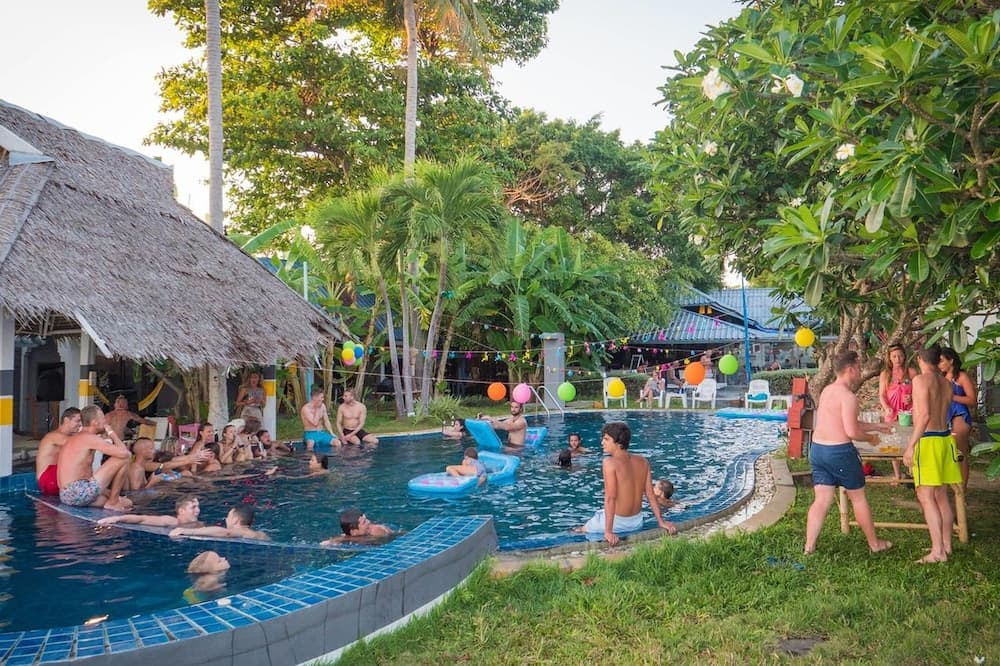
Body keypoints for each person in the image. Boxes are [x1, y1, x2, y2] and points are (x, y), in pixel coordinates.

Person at [804, 351, 894, 555]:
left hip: (818, 450)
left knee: (822, 499)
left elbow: (841, 421)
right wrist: (871, 439)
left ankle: (809, 546)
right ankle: (874, 544)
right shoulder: (848, 396)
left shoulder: (828, 390)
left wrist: (876, 427)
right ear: (851, 369)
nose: (860, 371)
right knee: (858, 498)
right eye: (859, 367)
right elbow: (851, 431)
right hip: (839, 452)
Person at [904, 345, 963, 563]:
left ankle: (937, 551)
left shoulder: (920, 380)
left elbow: (925, 415)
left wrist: (911, 445)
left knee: (926, 497)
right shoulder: (947, 383)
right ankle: (946, 545)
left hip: (928, 440)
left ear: (919, 359)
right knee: (941, 496)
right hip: (944, 438)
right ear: (938, 360)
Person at [574, 421, 677, 545]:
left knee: (577, 531)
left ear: (618, 442)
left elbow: (610, 498)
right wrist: (661, 521)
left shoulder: (609, 462)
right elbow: (650, 495)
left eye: (606, 439)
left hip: (617, 524)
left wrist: (608, 531)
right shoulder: (643, 461)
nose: (602, 443)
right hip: (637, 522)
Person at [56, 405, 134, 511]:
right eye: (103, 418)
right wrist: (111, 432)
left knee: (127, 502)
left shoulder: (76, 437)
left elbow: (85, 475)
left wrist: (109, 493)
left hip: (67, 496)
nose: (106, 421)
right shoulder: (89, 438)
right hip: (79, 492)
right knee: (124, 458)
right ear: (95, 422)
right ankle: (113, 502)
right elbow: (125, 453)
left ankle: (113, 500)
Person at [939, 347, 976, 492]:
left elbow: (972, 400)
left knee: (960, 454)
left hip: (959, 415)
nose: (939, 364)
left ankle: (962, 490)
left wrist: (952, 397)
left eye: (941, 361)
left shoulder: (961, 377)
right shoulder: (940, 378)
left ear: (951, 360)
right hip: (943, 417)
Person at [877, 343, 917, 479]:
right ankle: (897, 474)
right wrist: (886, 407)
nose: (897, 359)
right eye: (894, 356)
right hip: (892, 410)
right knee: (894, 441)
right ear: (889, 358)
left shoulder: (911, 372)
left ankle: (912, 472)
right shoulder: (885, 374)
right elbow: (882, 394)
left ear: (904, 356)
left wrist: (911, 397)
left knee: (910, 438)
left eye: (900, 356)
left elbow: (919, 391)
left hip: (908, 409)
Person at [35, 407, 81, 496]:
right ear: (66, 420)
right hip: (48, 480)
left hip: (54, 478)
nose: (80, 424)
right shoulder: (54, 436)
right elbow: (80, 444)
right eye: (78, 421)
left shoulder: (68, 437)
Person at [97, 494, 203, 529]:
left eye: (198, 507)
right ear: (182, 511)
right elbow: (142, 519)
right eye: (193, 507)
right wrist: (117, 518)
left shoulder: (197, 524)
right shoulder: (172, 521)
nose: (197, 510)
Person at [169, 505, 270, 541]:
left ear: (235, 519)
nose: (226, 520)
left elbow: (226, 533)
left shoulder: (243, 532)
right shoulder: (261, 534)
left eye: (228, 516)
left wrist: (185, 531)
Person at [321, 508, 393, 544]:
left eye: (366, 519)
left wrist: (346, 539)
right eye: (364, 522)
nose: (369, 522)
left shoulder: (377, 531)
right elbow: (344, 537)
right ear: (353, 531)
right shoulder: (351, 535)